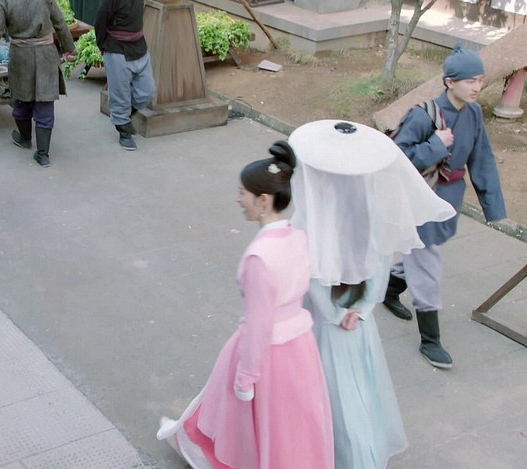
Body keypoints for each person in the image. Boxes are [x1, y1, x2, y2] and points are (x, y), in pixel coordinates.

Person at [288, 120, 455, 468]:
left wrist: (334, 314)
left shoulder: (314, 215)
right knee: (359, 391)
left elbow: (314, 276)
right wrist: (362, 309)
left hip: (322, 322)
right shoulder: (372, 211)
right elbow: (380, 265)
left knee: (326, 394)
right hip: (359, 321)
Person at [157, 142, 334, 469]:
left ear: (263, 200)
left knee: (250, 428)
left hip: (267, 356)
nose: (238, 199)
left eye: (243, 193)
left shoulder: (259, 257)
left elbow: (258, 326)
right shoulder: (298, 237)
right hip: (300, 348)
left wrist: (245, 380)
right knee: (293, 427)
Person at [383, 44, 507, 369]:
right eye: (469, 81)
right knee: (427, 263)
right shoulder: (423, 115)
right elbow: (397, 157)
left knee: (421, 250)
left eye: (480, 80)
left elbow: (482, 158)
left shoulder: (473, 113)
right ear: (450, 82)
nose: (477, 87)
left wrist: (493, 207)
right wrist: (435, 146)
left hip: (449, 198)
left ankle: (388, 290)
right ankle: (430, 340)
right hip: (422, 199)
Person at [0, 0, 75, 168]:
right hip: (46, 55)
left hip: (21, 58)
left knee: (21, 99)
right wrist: (69, 48)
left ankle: (25, 139)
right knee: (44, 102)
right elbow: (59, 23)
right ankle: (43, 154)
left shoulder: (3, 2)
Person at [94, 0, 155, 151]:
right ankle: (123, 131)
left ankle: (125, 118)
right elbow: (100, 20)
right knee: (120, 95)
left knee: (147, 92)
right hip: (117, 49)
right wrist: (102, 45)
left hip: (139, 46)